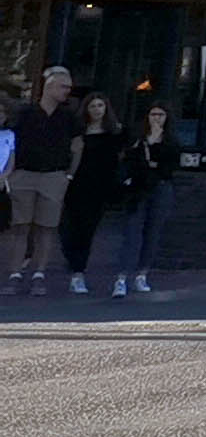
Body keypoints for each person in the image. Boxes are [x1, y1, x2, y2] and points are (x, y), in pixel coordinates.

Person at [106, 101, 189, 298]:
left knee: (153, 231)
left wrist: (153, 159)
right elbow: (132, 161)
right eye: (153, 115)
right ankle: (121, 278)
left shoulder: (171, 141)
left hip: (160, 188)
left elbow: (168, 166)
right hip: (138, 189)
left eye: (160, 115)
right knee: (132, 233)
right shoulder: (138, 139)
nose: (156, 119)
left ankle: (142, 274)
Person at [9, 67, 78, 292]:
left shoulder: (68, 116)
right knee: (20, 226)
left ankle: (39, 274)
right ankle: (15, 273)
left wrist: (68, 174)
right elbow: (10, 143)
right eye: (63, 86)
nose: (67, 91)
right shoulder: (24, 113)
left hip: (53, 175)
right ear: (49, 86)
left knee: (46, 227)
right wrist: (10, 172)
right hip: (25, 173)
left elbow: (78, 146)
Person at [57, 92, 122, 296]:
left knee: (87, 230)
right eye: (92, 106)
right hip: (76, 185)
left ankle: (78, 273)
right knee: (67, 228)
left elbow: (119, 160)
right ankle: (72, 262)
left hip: (99, 187)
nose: (96, 110)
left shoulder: (115, 133)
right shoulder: (78, 132)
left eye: (100, 105)